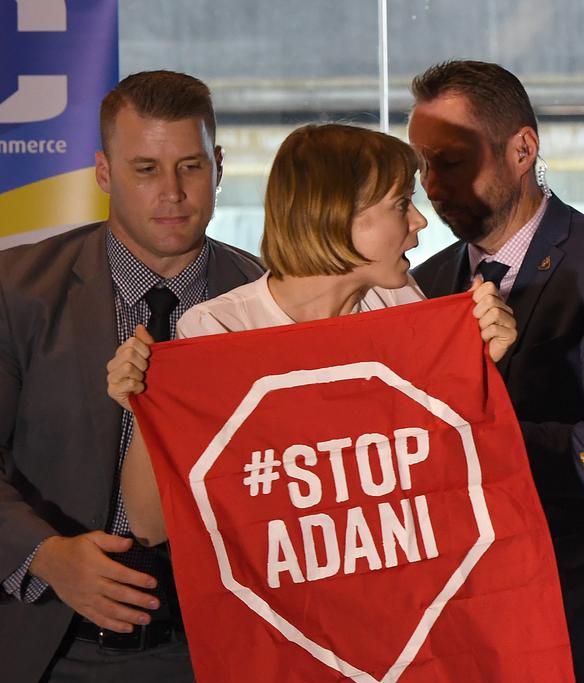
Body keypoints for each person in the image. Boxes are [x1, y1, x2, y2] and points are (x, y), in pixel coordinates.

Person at [407, 60, 584, 683]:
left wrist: (465, 450)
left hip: (580, 633)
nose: (432, 186)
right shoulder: (423, 281)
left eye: (450, 160)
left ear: (523, 149)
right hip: (459, 637)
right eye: (422, 166)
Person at [105, 122, 517, 547]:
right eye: (401, 204)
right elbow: (151, 526)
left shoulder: (399, 302)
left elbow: (454, 476)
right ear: (337, 214)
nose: (419, 221)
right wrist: (146, 408)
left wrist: (480, 368)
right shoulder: (218, 330)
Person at [0, 70, 263, 683]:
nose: (171, 193)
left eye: (190, 167)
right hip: (53, 655)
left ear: (219, 166)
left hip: (228, 661)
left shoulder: (269, 295)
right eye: (145, 168)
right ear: (103, 173)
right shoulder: (18, 292)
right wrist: (47, 555)